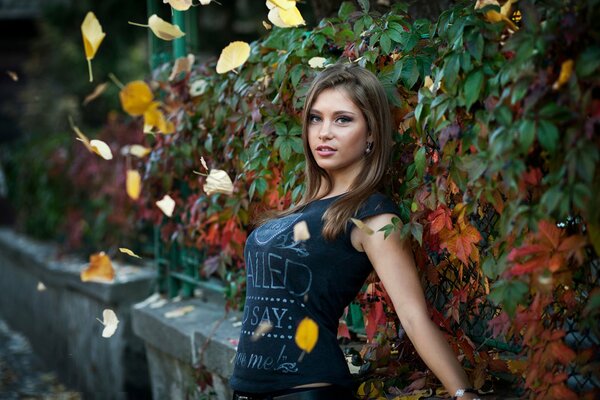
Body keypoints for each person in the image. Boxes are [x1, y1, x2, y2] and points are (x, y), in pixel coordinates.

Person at [230, 63, 480, 400]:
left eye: (342, 119)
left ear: (372, 132)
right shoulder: (304, 207)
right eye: (315, 118)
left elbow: (412, 315)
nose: (324, 132)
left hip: (306, 390)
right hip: (246, 389)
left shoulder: (371, 215)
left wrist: (463, 393)